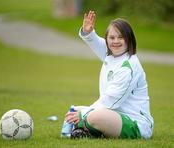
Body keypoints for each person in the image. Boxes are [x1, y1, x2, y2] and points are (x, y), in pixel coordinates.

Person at [64, 10, 154, 139]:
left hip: (136, 123)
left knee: (94, 116)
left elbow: (111, 99)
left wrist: (83, 114)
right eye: (112, 37)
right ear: (107, 39)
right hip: (114, 115)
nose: (116, 41)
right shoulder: (112, 54)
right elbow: (96, 43)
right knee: (74, 110)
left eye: (121, 37)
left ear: (129, 39)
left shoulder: (129, 66)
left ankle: (87, 130)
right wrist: (88, 32)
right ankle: (85, 132)